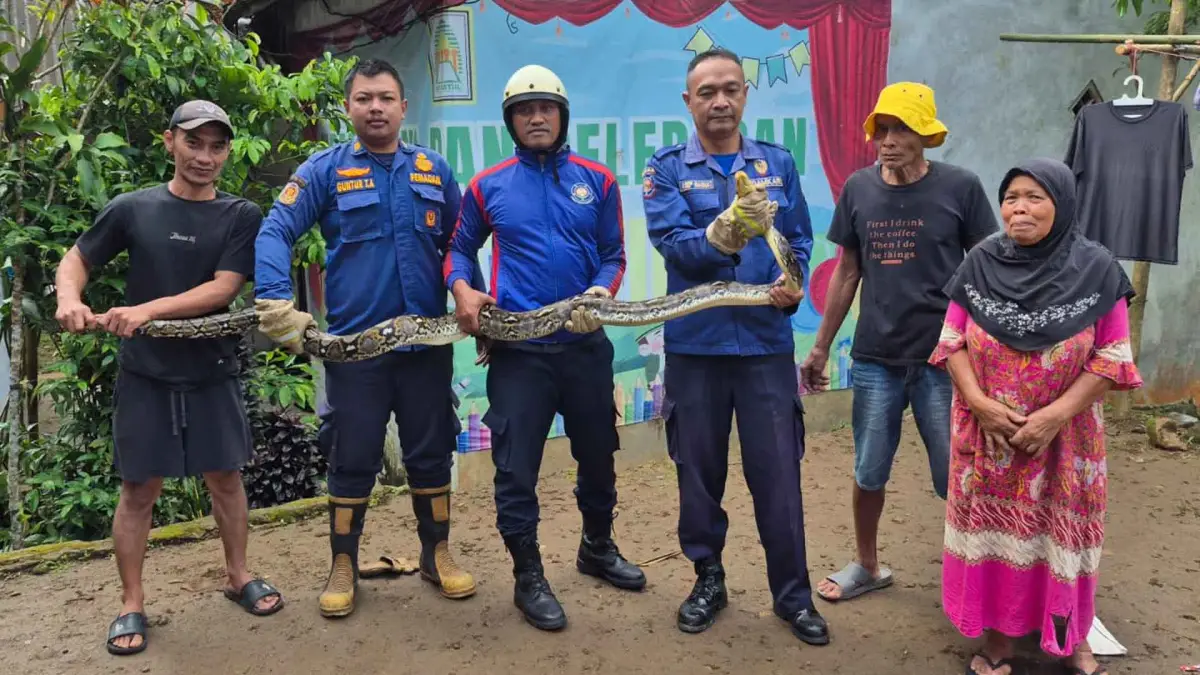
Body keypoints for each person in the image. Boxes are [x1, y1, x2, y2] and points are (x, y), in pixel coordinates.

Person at [254, 58, 483, 618]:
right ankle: (342, 564)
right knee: (351, 457)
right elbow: (275, 228)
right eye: (363, 99)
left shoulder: (434, 170)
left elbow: (461, 242)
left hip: (426, 345)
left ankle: (438, 554)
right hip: (356, 350)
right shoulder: (324, 171)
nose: (375, 107)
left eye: (385, 97)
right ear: (350, 108)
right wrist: (275, 301)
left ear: (404, 107)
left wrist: (468, 294)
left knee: (431, 454)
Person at [53, 100, 283, 656]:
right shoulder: (133, 209)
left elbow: (223, 289)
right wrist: (68, 298)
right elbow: (75, 260)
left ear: (227, 151)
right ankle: (131, 602)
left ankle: (238, 575)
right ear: (169, 142)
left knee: (225, 478)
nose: (205, 156)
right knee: (139, 490)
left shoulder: (239, 216)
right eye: (194, 143)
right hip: (146, 374)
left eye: (217, 146)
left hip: (213, 370)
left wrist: (148, 310)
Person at [444, 64, 644, 632]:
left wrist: (601, 291)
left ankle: (597, 548)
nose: (536, 117)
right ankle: (527, 575)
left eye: (546, 108)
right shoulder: (489, 185)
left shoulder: (598, 181)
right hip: (520, 355)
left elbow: (615, 254)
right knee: (515, 469)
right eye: (524, 110)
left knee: (599, 455)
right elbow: (459, 250)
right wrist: (463, 290)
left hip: (585, 346)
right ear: (510, 120)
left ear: (562, 116)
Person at [641, 47, 828, 645]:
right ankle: (708, 579)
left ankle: (793, 597)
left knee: (778, 475)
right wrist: (723, 231)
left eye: (730, 89)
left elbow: (798, 237)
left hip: (766, 350)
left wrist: (792, 283)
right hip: (696, 348)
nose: (719, 101)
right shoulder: (666, 168)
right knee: (698, 476)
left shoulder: (776, 162)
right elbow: (674, 245)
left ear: (745, 94)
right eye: (706, 92)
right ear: (688, 101)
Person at [932, 158, 1140, 675]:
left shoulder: (1097, 269)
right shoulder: (980, 261)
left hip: (1065, 442)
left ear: (1062, 204)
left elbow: (1114, 358)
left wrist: (1052, 416)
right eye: (1011, 198)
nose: (1019, 208)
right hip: (989, 439)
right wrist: (980, 403)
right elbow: (950, 341)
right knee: (997, 537)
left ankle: (1071, 639)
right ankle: (1000, 640)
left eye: (1034, 197)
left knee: (1060, 538)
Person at [799, 82, 999, 603]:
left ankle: (975, 569)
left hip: (944, 359)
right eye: (881, 129)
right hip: (875, 359)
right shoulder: (860, 189)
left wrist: (989, 345)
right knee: (868, 469)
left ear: (926, 136)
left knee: (951, 473)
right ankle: (867, 565)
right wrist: (821, 346)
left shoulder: (961, 188)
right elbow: (847, 272)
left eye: (901, 129)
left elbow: (987, 271)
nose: (887, 140)